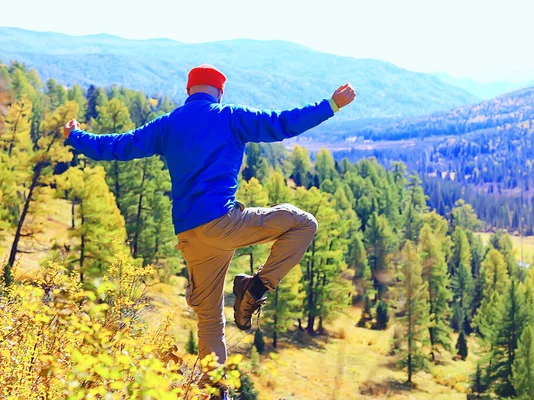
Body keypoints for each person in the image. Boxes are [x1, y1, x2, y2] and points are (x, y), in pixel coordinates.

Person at [63, 64, 355, 367]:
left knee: (210, 321)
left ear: (189, 90)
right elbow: (284, 124)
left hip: (190, 236)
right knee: (304, 223)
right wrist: (331, 105)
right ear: (220, 91)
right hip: (224, 223)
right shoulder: (230, 117)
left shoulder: (166, 124)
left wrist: (76, 136)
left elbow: (115, 146)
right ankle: (256, 287)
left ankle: (214, 390)